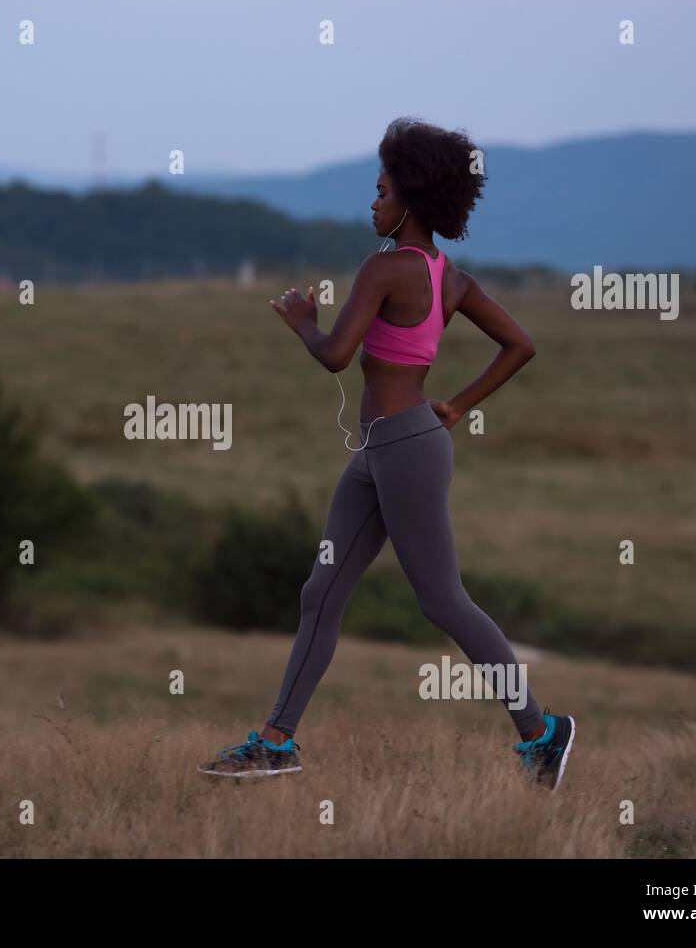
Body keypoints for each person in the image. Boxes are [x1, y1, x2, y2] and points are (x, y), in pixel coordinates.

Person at [198, 118, 574, 790]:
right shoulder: (449, 278)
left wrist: (305, 324)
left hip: (405, 451)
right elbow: (521, 343)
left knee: (444, 601)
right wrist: (454, 406)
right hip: (384, 449)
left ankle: (542, 730)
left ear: (411, 196)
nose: (372, 202)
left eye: (380, 189)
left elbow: (336, 356)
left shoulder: (383, 268)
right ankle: (277, 741)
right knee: (323, 589)